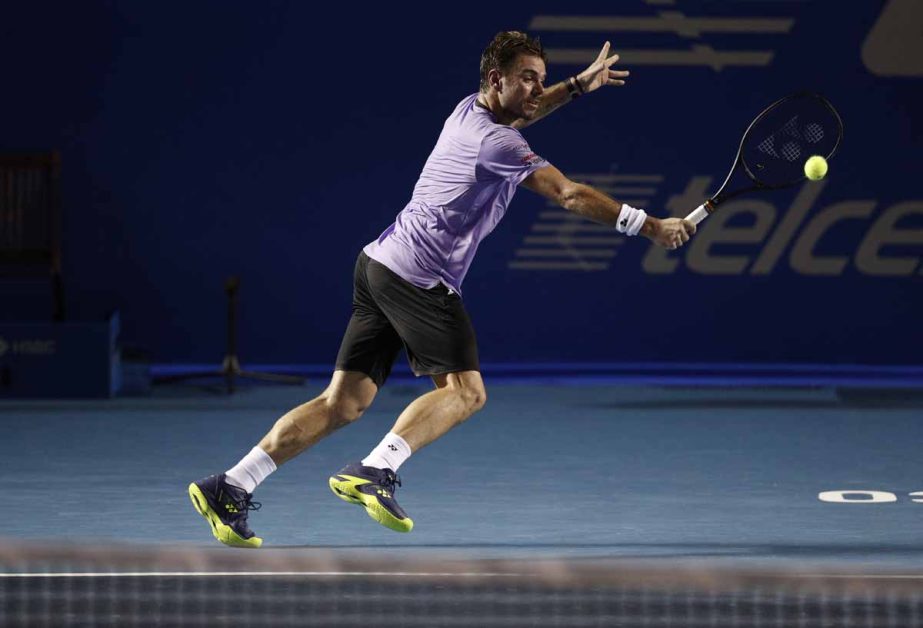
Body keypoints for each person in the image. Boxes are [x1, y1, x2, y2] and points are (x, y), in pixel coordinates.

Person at [188, 31, 695, 548]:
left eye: (541, 81)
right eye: (527, 80)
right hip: (417, 277)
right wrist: (649, 225)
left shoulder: (468, 110)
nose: (536, 91)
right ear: (496, 80)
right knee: (465, 392)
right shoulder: (497, 143)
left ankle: (229, 485)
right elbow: (567, 194)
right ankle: (374, 470)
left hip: (377, 264)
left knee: (342, 403)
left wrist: (576, 87)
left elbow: (527, 112)